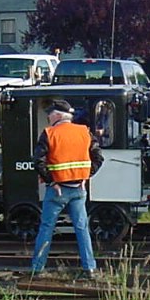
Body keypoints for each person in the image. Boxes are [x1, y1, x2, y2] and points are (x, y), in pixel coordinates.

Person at [31, 98, 104, 277]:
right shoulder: (84, 132)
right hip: (79, 189)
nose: (48, 118)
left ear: (56, 115)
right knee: (82, 228)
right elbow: (98, 158)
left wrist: (51, 181)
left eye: (49, 114)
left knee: (46, 227)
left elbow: (38, 161)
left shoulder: (49, 134)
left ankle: (37, 268)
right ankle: (90, 268)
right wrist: (86, 176)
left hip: (57, 190)